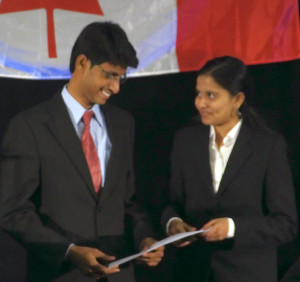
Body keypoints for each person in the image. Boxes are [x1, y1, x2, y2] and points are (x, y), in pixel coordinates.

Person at [0, 21, 164, 282]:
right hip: (61, 274)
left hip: (119, 275)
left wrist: (144, 238)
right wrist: (68, 251)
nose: (116, 87)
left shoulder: (124, 124)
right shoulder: (29, 126)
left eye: (121, 77)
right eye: (109, 75)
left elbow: (129, 202)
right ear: (82, 63)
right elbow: (12, 212)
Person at [161, 56, 297, 282]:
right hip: (193, 272)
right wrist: (172, 223)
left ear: (237, 99)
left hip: (247, 274)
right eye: (198, 93)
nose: (200, 103)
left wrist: (232, 228)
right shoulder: (185, 141)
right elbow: (171, 203)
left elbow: (285, 225)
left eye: (211, 95)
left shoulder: (268, 146)